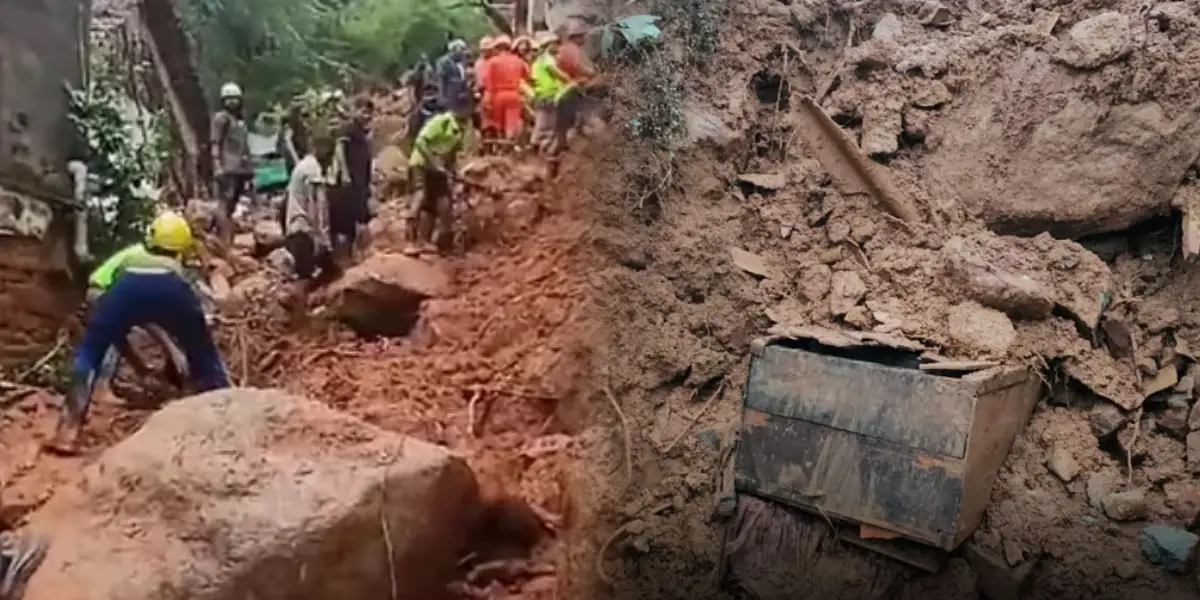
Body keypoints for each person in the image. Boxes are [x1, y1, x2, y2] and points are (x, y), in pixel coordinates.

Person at [47, 212, 231, 454]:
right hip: (171, 288)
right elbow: (199, 312)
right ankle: (226, 414)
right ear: (182, 245)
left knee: (90, 353)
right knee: (203, 353)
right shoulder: (177, 267)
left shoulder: (133, 255)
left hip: (127, 287)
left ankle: (68, 431)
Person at [85, 242, 190, 406]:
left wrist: (142, 367)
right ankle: (101, 389)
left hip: (102, 288)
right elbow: (150, 318)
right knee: (114, 332)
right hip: (102, 290)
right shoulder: (152, 263)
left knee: (118, 334)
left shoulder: (145, 254)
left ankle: (136, 375)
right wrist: (172, 349)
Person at [281, 134, 340, 319]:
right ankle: (295, 310)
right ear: (320, 149)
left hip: (297, 227)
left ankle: (296, 302)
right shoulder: (312, 171)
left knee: (329, 270)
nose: (331, 157)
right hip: (305, 230)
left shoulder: (303, 166)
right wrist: (322, 240)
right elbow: (318, 210)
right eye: (330, 152)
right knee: (306, 275)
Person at [405, 105, 471, 256]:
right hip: (421, 163)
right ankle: (409, 240)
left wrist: (456, 174)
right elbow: (421, 142)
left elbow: (451, 157)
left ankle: (427, 241)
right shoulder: (442, 122)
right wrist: (435, 163)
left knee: (442, 204)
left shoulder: (459, 132)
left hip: (438, 169)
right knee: (420, 197)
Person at [328, 96, 375, 263]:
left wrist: (370, 183)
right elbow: (340, 149)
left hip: (360, 183)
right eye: (363, 112)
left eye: (369, 113)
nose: (367, 116)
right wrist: (345, 173)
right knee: (346, 225)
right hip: (348, 184)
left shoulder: (363, 133)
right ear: (355, 111)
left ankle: (356, 258)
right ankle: (344, 260)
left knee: (359, 221)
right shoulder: (348, 129)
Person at [210, 82, 254, 241]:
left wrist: (250, 169)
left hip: (240, 169)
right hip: (227, 168)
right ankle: (223, 236)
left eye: (235, 99)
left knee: (233, 204)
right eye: (229, 99)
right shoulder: (221, 119)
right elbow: (215, 143)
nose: (232, 102)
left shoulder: (240, 121)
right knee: (224, 203)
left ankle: (224, 234)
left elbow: (244, 146)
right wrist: (217, 166)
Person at [551, 25, 597, 155]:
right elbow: (578, 67)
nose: (585, 39)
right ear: (576, 37)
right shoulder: (571, 50)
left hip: (565, 91)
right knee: (573, 126)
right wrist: (591, 73)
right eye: (583, 36)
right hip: (572, 91)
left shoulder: (565, 49)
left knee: (563, 129)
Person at [483, 35, 532, 148]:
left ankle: (501, 148)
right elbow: (528, 78)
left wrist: (487, 102)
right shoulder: (519, 61)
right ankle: (509, 147)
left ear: (498, 48)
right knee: (511, 125)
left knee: (499, 125)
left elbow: (488, 84)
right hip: (514, 95)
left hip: (497, 96)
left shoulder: (492, 62)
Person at [530, 32, 568, 154]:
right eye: (555, 44)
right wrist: (570, 81)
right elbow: (558, 74)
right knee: (549, 126)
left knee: (542, 125)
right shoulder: (547, 60)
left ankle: (536, 147)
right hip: (549, 95)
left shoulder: (538, 61)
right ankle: (539, 149)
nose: (557, 46)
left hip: (542, 95)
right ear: (548, 45)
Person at [436, 39, 472, 115]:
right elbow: (442, 81)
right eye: (461, 49)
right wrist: (442, 98)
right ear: (454, 49)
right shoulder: (443, 62)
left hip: (463, 97)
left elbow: (463, 77)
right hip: (451, 97)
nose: (463, 52)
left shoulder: (462, 61)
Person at [276, 103, 310, 175]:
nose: (305, 117)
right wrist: (297, 161)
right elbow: (288, 143)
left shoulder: (304, 126)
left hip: (303, 159)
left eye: (306, 115)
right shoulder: (291, 127)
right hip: (294, 160)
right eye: (303, 115)